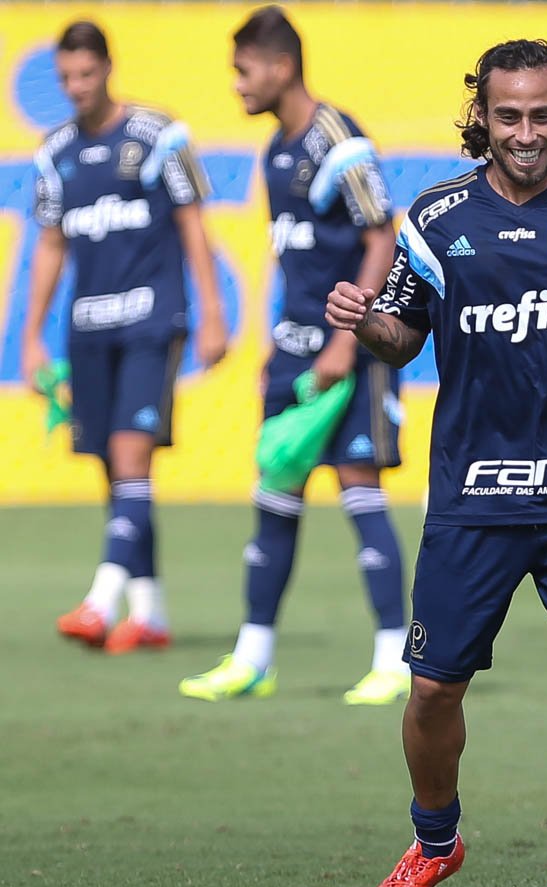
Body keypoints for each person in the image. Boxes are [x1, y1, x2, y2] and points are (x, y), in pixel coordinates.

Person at [325, 38, 547, 887]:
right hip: (473, 495)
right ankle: (435, 841)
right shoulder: (435, 218)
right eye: (508, 114)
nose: (525, 132)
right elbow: (402, 335)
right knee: (432, 689)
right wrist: (366, 320)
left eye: (542, 115)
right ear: (480, 115)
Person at [178, 6, 409, 705]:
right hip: (291, 352)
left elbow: (381, 238)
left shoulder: (337, 139)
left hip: (350, 352)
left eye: (243, 71)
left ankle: (394, 657)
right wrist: (276, 344)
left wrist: (347, 339)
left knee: (358, 487)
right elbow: (294, 260)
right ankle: (253, 657)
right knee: (273, 496)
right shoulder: (275, 150)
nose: (237, 85)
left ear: (280, 66)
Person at [22, 20, 227, 654]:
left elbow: (193, 223)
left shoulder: (156, 136)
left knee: (133, 456)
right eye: (66, 79)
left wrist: (212, 310)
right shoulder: (54, 152)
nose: (77, 88)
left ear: (108, 69)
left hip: (149, 318)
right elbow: (51, 244)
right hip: (88, 328)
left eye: (85, 75)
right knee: (116, 473)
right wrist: (30, 336)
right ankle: (152, 614)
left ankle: (99, 602)